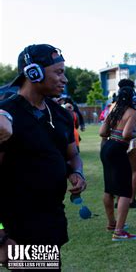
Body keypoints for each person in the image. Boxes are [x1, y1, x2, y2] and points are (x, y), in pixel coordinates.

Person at [0, 44, 86, 264]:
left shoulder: (61, 115)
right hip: (18, 226)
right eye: (58, 72)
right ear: (33, 73)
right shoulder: (6, 116)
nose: (65, 79)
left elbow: (73, 155)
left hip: (51, 219)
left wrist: (77, 172)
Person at [99, 86, 136, 241]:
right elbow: (127, 134)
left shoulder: (113, 110)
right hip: (118, 149)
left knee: (109, 188)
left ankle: (111, 223)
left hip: (107, 147)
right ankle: (119, 231)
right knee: (124, 191)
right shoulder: (133, 113)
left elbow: (102, 132)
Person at [117, 79, 136, 208]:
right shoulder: (134, 107)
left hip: (116, 141)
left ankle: (119, 198)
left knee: (121, 171)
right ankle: (131, 199)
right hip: (132, 141)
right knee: (135, 171)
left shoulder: (114, 106)